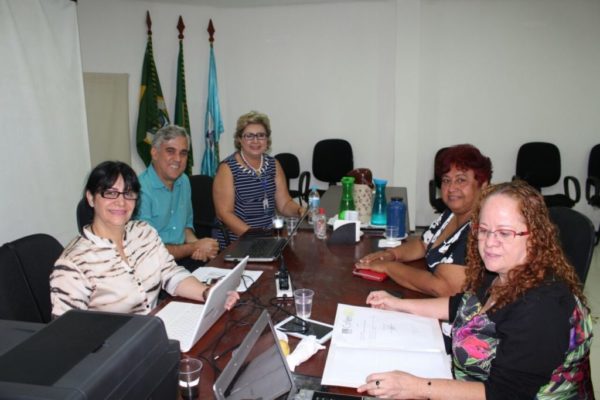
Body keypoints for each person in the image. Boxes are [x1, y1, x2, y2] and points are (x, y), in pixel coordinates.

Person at [358, 181, 593, 399]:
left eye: (504, 233)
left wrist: (416, 387)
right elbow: (463, 305)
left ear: (535, 237)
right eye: (483, 230)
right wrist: (398, 304)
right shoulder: (499, 270)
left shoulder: (541, 307)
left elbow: (504, 394)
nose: (489, 243)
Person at [50, 161, 239, 317]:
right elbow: (69, 335)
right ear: (91, 198)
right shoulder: (72, 264)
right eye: (110, 193)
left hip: (154, 330)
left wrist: (209, 293)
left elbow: (171, 274)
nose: (121, 202)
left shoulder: (143, 232)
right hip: (112, 350)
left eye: (128, 193)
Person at [356, 144, 492, 297]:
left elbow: (443, 287)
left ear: (483, 185)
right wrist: (391, 254)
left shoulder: (480, 229)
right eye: (446, 180)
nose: (451, 187)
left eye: (461, 180)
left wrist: (388, 267)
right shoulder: (451, 214)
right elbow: (423, 244)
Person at [213, 111, 304, 247]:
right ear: (239, 139)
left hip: (269, 236)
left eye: (261, 135)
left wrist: (300, 211)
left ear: (267, 139)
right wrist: (255, 237)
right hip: (238, 240)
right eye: (249, 136)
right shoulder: (227, 168)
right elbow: (224, 214)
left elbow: (284, 204)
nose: (255, 141)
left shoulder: (273, 164)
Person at [136, 125, 219, 270]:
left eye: (183, 153)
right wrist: (194, 247)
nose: (178, 159)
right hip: (155, 266)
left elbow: (185, 228)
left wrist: (199, 248)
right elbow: (151, 251)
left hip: (183, 259)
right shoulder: (139, 190)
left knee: (225, 280)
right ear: (154, 153)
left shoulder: (183, 181)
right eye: (170, 151)